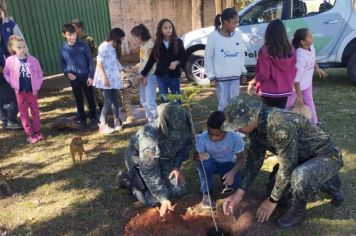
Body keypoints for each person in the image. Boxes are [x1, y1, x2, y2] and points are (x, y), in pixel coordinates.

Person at [222, 97, 344, 229]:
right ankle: (320, 179)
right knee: (278, 195)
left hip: (325, 156)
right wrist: (238, 194)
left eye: (238, 126)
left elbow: (287, 166)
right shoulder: (256, 128)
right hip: (300, 158)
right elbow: (253, 162)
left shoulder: (279, 125)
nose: (237, 130)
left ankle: (300, 209)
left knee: (299, 176)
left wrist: (272, 200)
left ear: (249, 119)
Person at [116, 103, 195, 217]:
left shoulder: (186, 125)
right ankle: (128, 180)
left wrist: (176, 167)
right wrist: (162, 198)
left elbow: (186, 146)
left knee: (179, 189)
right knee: (153, 200)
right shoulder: (149, 138)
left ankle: (158, 186)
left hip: (165, 158)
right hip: (139, 160)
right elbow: (149, 171)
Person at [195, 111, 245, 208]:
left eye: (217, 135)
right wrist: (199, 156)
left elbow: (241, 158)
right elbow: (195, 157)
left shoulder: (235, 138)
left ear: (226, 130)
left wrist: (232, 172)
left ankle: (225, 183)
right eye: (210, 133)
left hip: (227, 165)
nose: (213, 137)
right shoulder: (202, 138)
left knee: (236, 183)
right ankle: (207, 193)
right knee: (205, 164)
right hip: (210, 164)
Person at [204, 8, 247, 111]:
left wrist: (243, 72)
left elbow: (241, 55)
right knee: (223, 104)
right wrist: (211, 76)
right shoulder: (213, 37)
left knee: (235, 104)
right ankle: (222, 126)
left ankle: (234, 126)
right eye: (234, 22)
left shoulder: (238, 35)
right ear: (225, 22)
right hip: (221, 78)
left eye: (237, 22)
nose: (236, 25)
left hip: (235, 77)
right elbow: (208, 57)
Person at [247, 19, 296, 109]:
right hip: (285, 90)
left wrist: (253, 82)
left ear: (268, 33)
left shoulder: (265, 50)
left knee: (266, 116)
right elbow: (294, 70)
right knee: (278, 117)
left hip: (268, 91)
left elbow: (264, 74)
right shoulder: (291, 50)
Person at [4, 36, 43, 143]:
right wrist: (12, 83)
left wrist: (38, 84)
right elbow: (6, 73)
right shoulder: (10, 60)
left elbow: (40, 72)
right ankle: (29, 134)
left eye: (24, 47)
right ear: (13, 48)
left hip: (32, 92)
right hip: (20, 93)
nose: (22, 49)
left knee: (35, 111)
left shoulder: (33, 60)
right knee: (24, 113)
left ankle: (37, 131)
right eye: (19, 47)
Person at [138, 19, 185, 105]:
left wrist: (176, 62)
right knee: (164, 99)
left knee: (176, 98)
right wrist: (143, 74)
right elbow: (151, 60)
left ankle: (178, 116)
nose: (168, 30)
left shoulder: (178, 42)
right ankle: (167, 116)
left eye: (170, 27)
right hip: (161, 77)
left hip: (174, 76)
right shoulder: (158, 43)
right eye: (165, 28)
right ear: (161, 30)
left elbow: (183, 57)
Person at [286, 28, 327, 125]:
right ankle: (281, 121)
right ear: (303, 42)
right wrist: (299, 96)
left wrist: (317, 68)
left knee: (309, 100)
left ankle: (315, 123)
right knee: (288, 104)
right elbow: (296, 80)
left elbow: (312, 59)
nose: (312, 37)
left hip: (307, 82)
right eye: (309, 36)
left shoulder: (311, 47)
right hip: (295, 87)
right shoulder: (300, 57)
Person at [59, 24, 98, 127]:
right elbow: (63, 64)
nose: (72, 37)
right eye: (69, 35)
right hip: (74, 79)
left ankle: (94, 118)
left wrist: (90, 76)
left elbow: (90, 62)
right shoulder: (63, 49)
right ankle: (82, 119)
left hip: (86, 77)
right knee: (78, 98)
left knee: (90, 98)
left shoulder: (83, 45)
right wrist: (67, 73)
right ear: (64, 35)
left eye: (74, 34)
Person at [93, 28, 125, 134]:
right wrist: (104, 78)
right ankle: (103, 125)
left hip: (113, 79)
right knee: (108, 101)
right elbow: (99, 63)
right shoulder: (104, 47)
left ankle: (117, 121)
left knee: (115, 100)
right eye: (121, 38)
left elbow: (114, 61)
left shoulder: (113, 47)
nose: (122, 40)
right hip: (106, 79)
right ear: (116, 37)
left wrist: (123, 69)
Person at [0, 2, 25, 129]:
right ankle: (7, 120)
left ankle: (8, 119)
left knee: (14, 94)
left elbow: (22, 43)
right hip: (2, 70)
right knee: (5, 95)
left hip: (13, 67)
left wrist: (25, 61)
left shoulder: (9, 25)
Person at [71, 19, 103, 111]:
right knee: (82, 89)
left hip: (90, 68)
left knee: (94, 88)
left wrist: (92, 64)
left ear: (80, 29)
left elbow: (96, 53)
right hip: (79, 70)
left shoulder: (89, 39)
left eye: (74, 29)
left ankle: (101, 105)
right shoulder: (73, 41)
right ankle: (88, 108)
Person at [130, 24, 158, 122]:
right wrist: (138, 65)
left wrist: (145, 76)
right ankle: (150, 120)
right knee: (143, 100)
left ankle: (156, 120)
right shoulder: (142, 45)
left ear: (140, 35)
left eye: (134, 37)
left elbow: (151, 62)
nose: (134, 40)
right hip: (142, 75)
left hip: (149, 76)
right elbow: (144, 60)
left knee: (150, 100)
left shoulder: (150, 45)